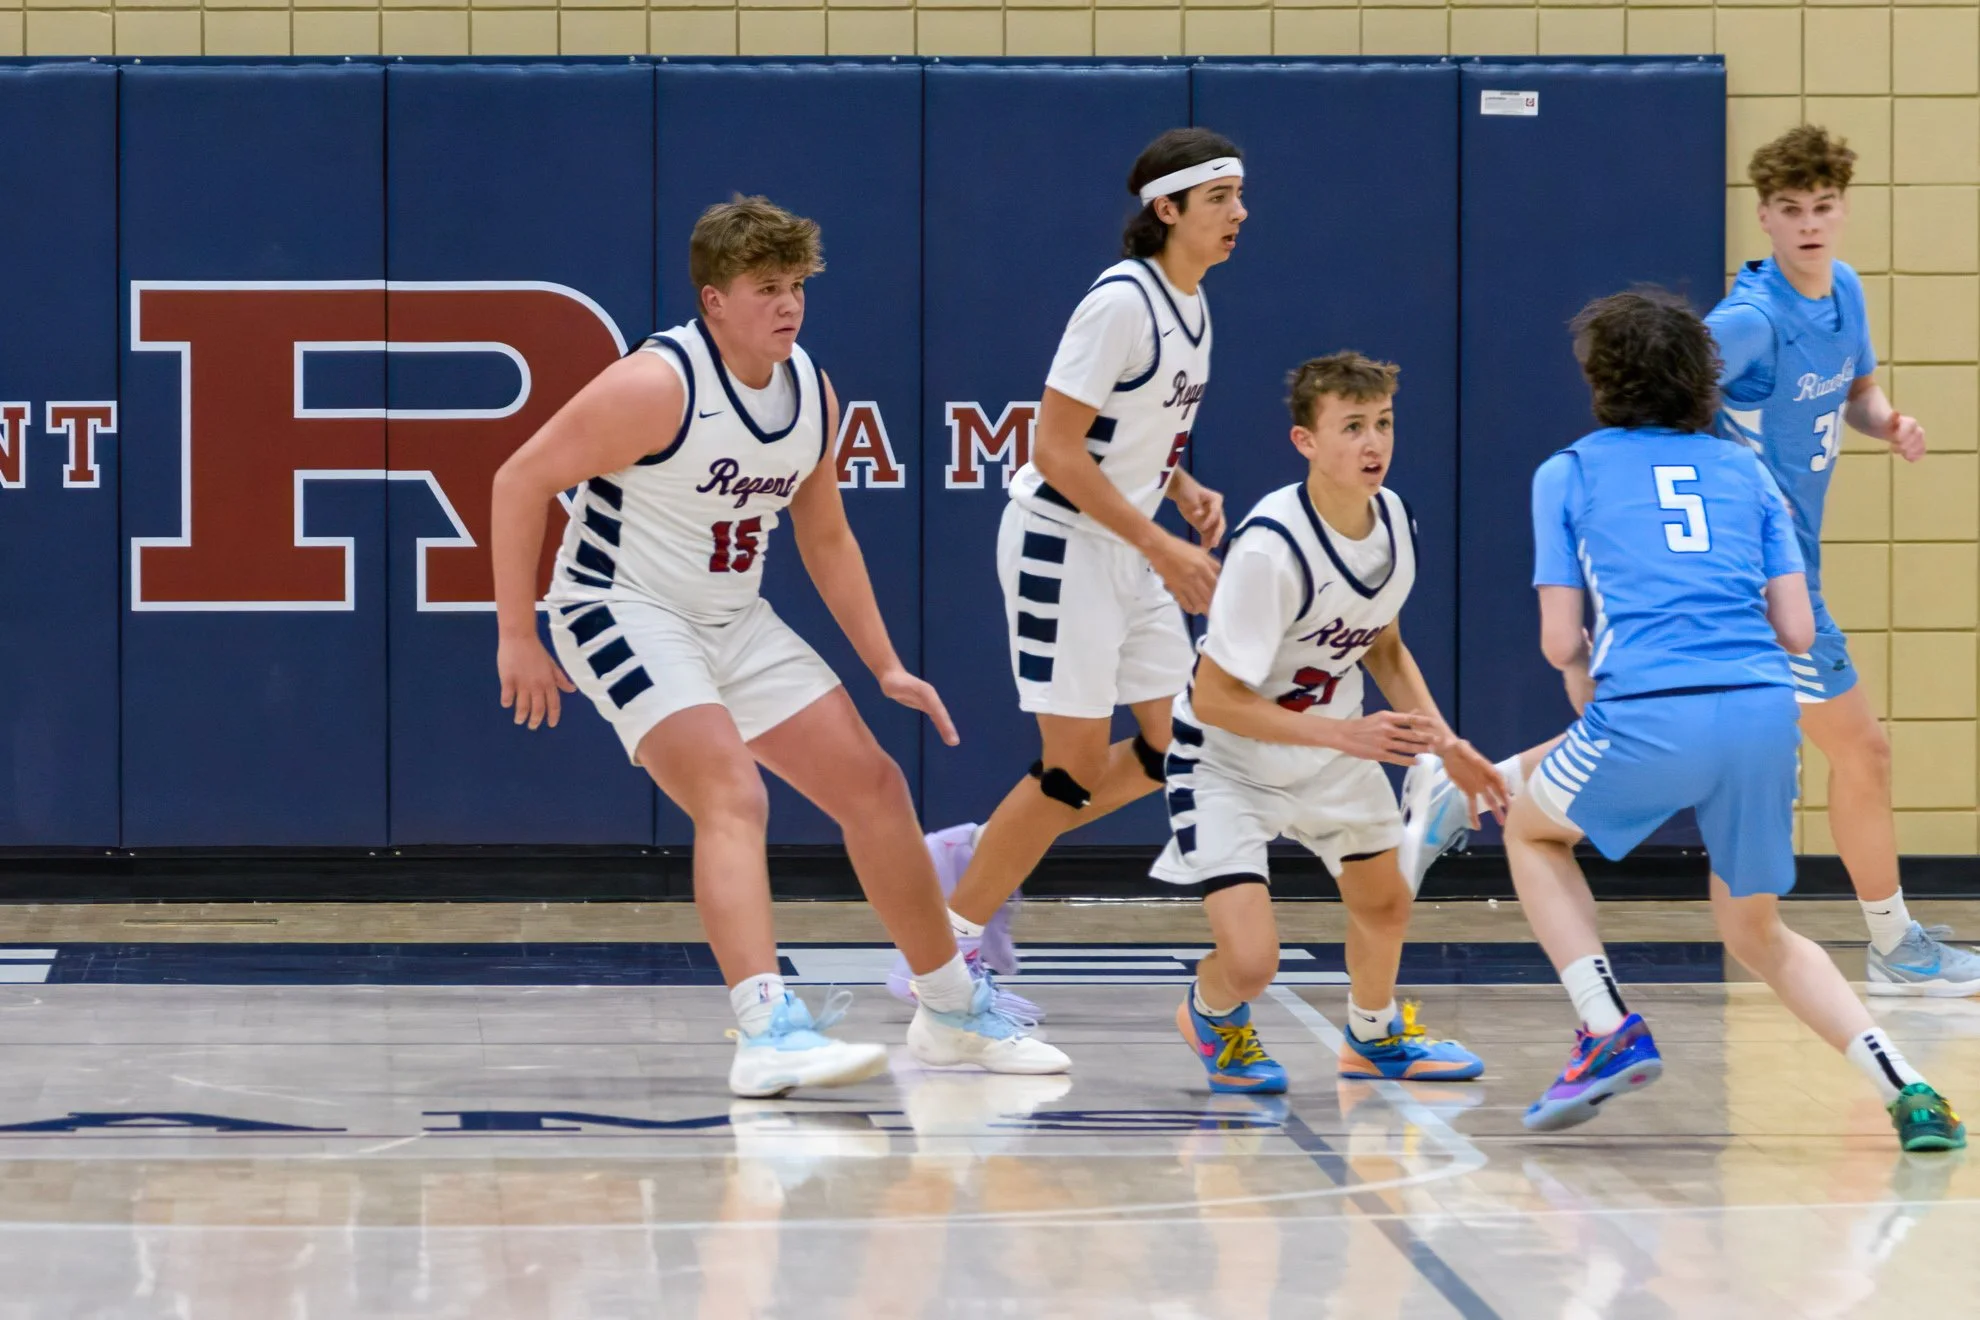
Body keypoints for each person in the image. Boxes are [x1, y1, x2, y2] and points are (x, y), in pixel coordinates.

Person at [490, 196, 1068, 1098]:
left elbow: (826, 535)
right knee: (732, 792)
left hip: (734, 616)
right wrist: (517, 634)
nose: (789, 303)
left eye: (797, 285)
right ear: (714, 300)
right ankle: (766, 1031)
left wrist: (884, 664)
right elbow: (518, 478)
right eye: (767, 287)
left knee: (875, 786)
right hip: (621, 606)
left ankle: (952, 1011)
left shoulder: (811, 392)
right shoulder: (656, 385)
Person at [1401, 126, 1979, 997]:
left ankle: (1478, 783)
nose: (1809, 224)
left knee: (1743, 739)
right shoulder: (1747, 322)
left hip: (1790, 568)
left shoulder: (1846, 292)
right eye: (1791, 209)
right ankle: (1897, 945)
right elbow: (1657, 386)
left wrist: (1889, 423)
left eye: (1823, 208)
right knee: (1863, 749)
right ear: (1764, 217)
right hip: (1751, 578)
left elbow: (1857, 392)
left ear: (1843, 211)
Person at [1503, 287, 1961, 1151]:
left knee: (1531, 833)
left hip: (1646, 712)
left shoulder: (1567, 471)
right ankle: (1911, 1090)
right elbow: (1796, 630)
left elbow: (1559, 638)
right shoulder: (1748, 473)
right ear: (1701, 381)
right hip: (1762, 715)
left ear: (1601, 381)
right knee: (1758, 931)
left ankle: (1604, 1026)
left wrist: (1582, 667)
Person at [889, 127, 1244, 1009]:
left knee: (1173, 747)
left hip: (1127, 546)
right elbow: (1053, 447)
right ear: (1168, 210)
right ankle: (943, 959)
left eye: (1238, 196)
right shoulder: (1122, 301)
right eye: (1219, 199)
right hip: (1064, 544)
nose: (1239, 213)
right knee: (1072, 768)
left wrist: (1182, 487)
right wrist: (1161, 543)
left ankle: (977, 852)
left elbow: (1128, 430)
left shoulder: (1194, 304)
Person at [1150, 352, 1507, 1093]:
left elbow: (1385, 646)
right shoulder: (1269, 549)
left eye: (1383, 423)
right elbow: (1214, 699)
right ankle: (1211, 1015)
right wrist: (1347, 735)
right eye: (1352, 427)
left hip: (1330, 750)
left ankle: (1372, 1036)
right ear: (1305, 441)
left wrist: (1447, 746)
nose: (1373, 443)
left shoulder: (1395, 521)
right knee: (1253, 965)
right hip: (1227, 762)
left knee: (1386, 902)